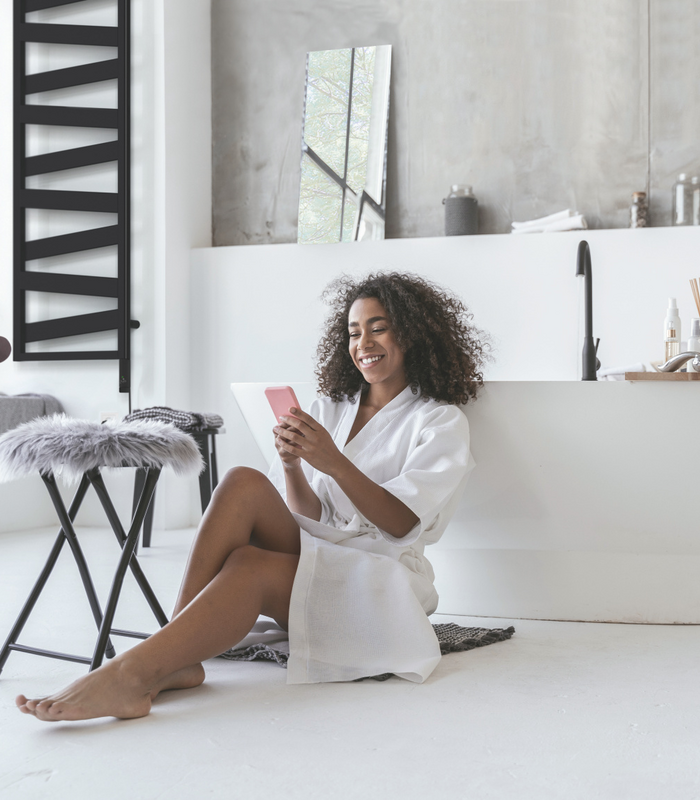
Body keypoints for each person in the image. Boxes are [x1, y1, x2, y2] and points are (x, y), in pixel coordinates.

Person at [16, 272, 490, 721]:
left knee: (249, 566)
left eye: (378, 329)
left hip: (380, 579)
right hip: (320, 548)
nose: (362, 344)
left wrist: (332, 461)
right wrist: (292, 467)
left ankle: (132, 674)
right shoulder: (332, 408)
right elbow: (309, 514)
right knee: (242, 480)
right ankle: (174, 655)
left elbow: (403, 525)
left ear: (412, 333)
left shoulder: (439, 421)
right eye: (352, 332)